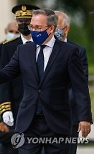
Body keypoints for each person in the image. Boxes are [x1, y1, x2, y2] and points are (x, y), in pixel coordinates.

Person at [0, 9, 92, 154]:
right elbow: (8, 73)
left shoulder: (69, 52)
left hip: (57, 122)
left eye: (38, 28)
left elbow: (80, 87)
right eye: (32, 27)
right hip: (28, 122)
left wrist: (84, 117)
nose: (34, 31)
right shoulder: (23, 50)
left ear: (51, 28)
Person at [0, 4, 39, 128]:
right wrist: (5, 108)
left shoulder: (43, 43)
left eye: (27, 20)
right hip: (18, 103)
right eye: (20, 21)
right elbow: (4, 78)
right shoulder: (9, 47)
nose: (23, 24)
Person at [54, 10, 89, 154]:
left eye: (55, 28)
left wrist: (84, 116)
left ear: (66, 29)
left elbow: (79, 87)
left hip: (68, 116)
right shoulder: (39, 50)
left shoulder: (78, 52)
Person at [0, 21, 19, 108]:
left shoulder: (22, 48)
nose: (13, 34)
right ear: (6, 31)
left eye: (17, 32)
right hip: (4, 91)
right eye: (11, 31)